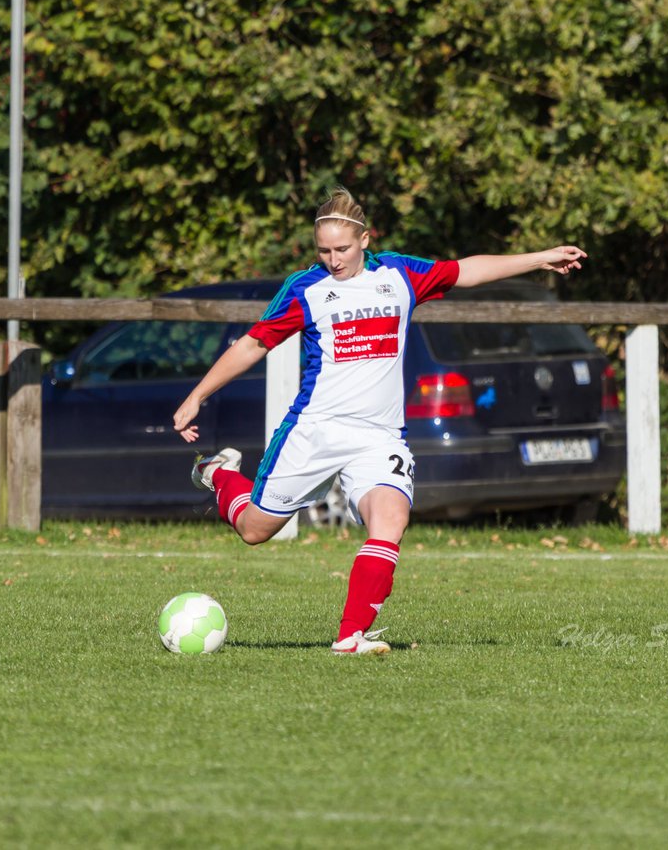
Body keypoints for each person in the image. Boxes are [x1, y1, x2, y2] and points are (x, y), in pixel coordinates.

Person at [173, 187, 585, 655]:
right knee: (254, 530)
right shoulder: (306, 289)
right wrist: (197, 396)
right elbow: (253, 344)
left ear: (365, 239)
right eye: (323, 250)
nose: (333, 259)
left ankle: (351, 636)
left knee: (391, 518)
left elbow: (466, 270)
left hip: (378, 436)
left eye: (342, 249)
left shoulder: (400, 274)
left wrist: (540, 258)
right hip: (315, 430)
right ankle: (219, 472)